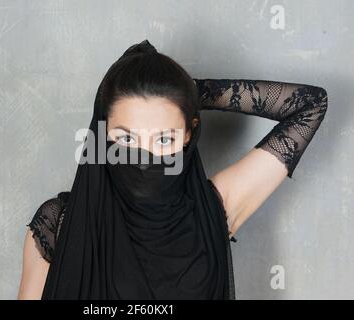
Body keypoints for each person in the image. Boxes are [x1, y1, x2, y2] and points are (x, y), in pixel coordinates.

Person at [18, 39, 328, 300]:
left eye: (164, 138)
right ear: (102, 133)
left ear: (188, 135)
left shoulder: (214, 208)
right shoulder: (57, 224)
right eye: (127, 138)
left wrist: (188, 94)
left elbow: (309, 106)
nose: (144, 156)